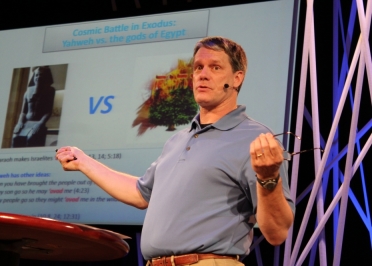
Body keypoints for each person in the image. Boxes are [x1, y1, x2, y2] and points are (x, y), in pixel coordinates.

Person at [56, 36, 294, 266]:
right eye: (198, 67)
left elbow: (277, 233)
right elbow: (140, 193)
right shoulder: (178, 140)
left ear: (236, 78)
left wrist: (268, 177)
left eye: (215, 67)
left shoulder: (254, 138)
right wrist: (84, 162)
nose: (203, 74)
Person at [12, 66, 55, 147]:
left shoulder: (50, 91)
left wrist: (40, 123)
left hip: (38, 123)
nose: (38, 78)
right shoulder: (28, 91)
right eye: (37, 75)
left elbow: (48, 112)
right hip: (26, 123)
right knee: (15, 139)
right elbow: (23, 112)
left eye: (41, 75)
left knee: (31, 138)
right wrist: (20, 122)